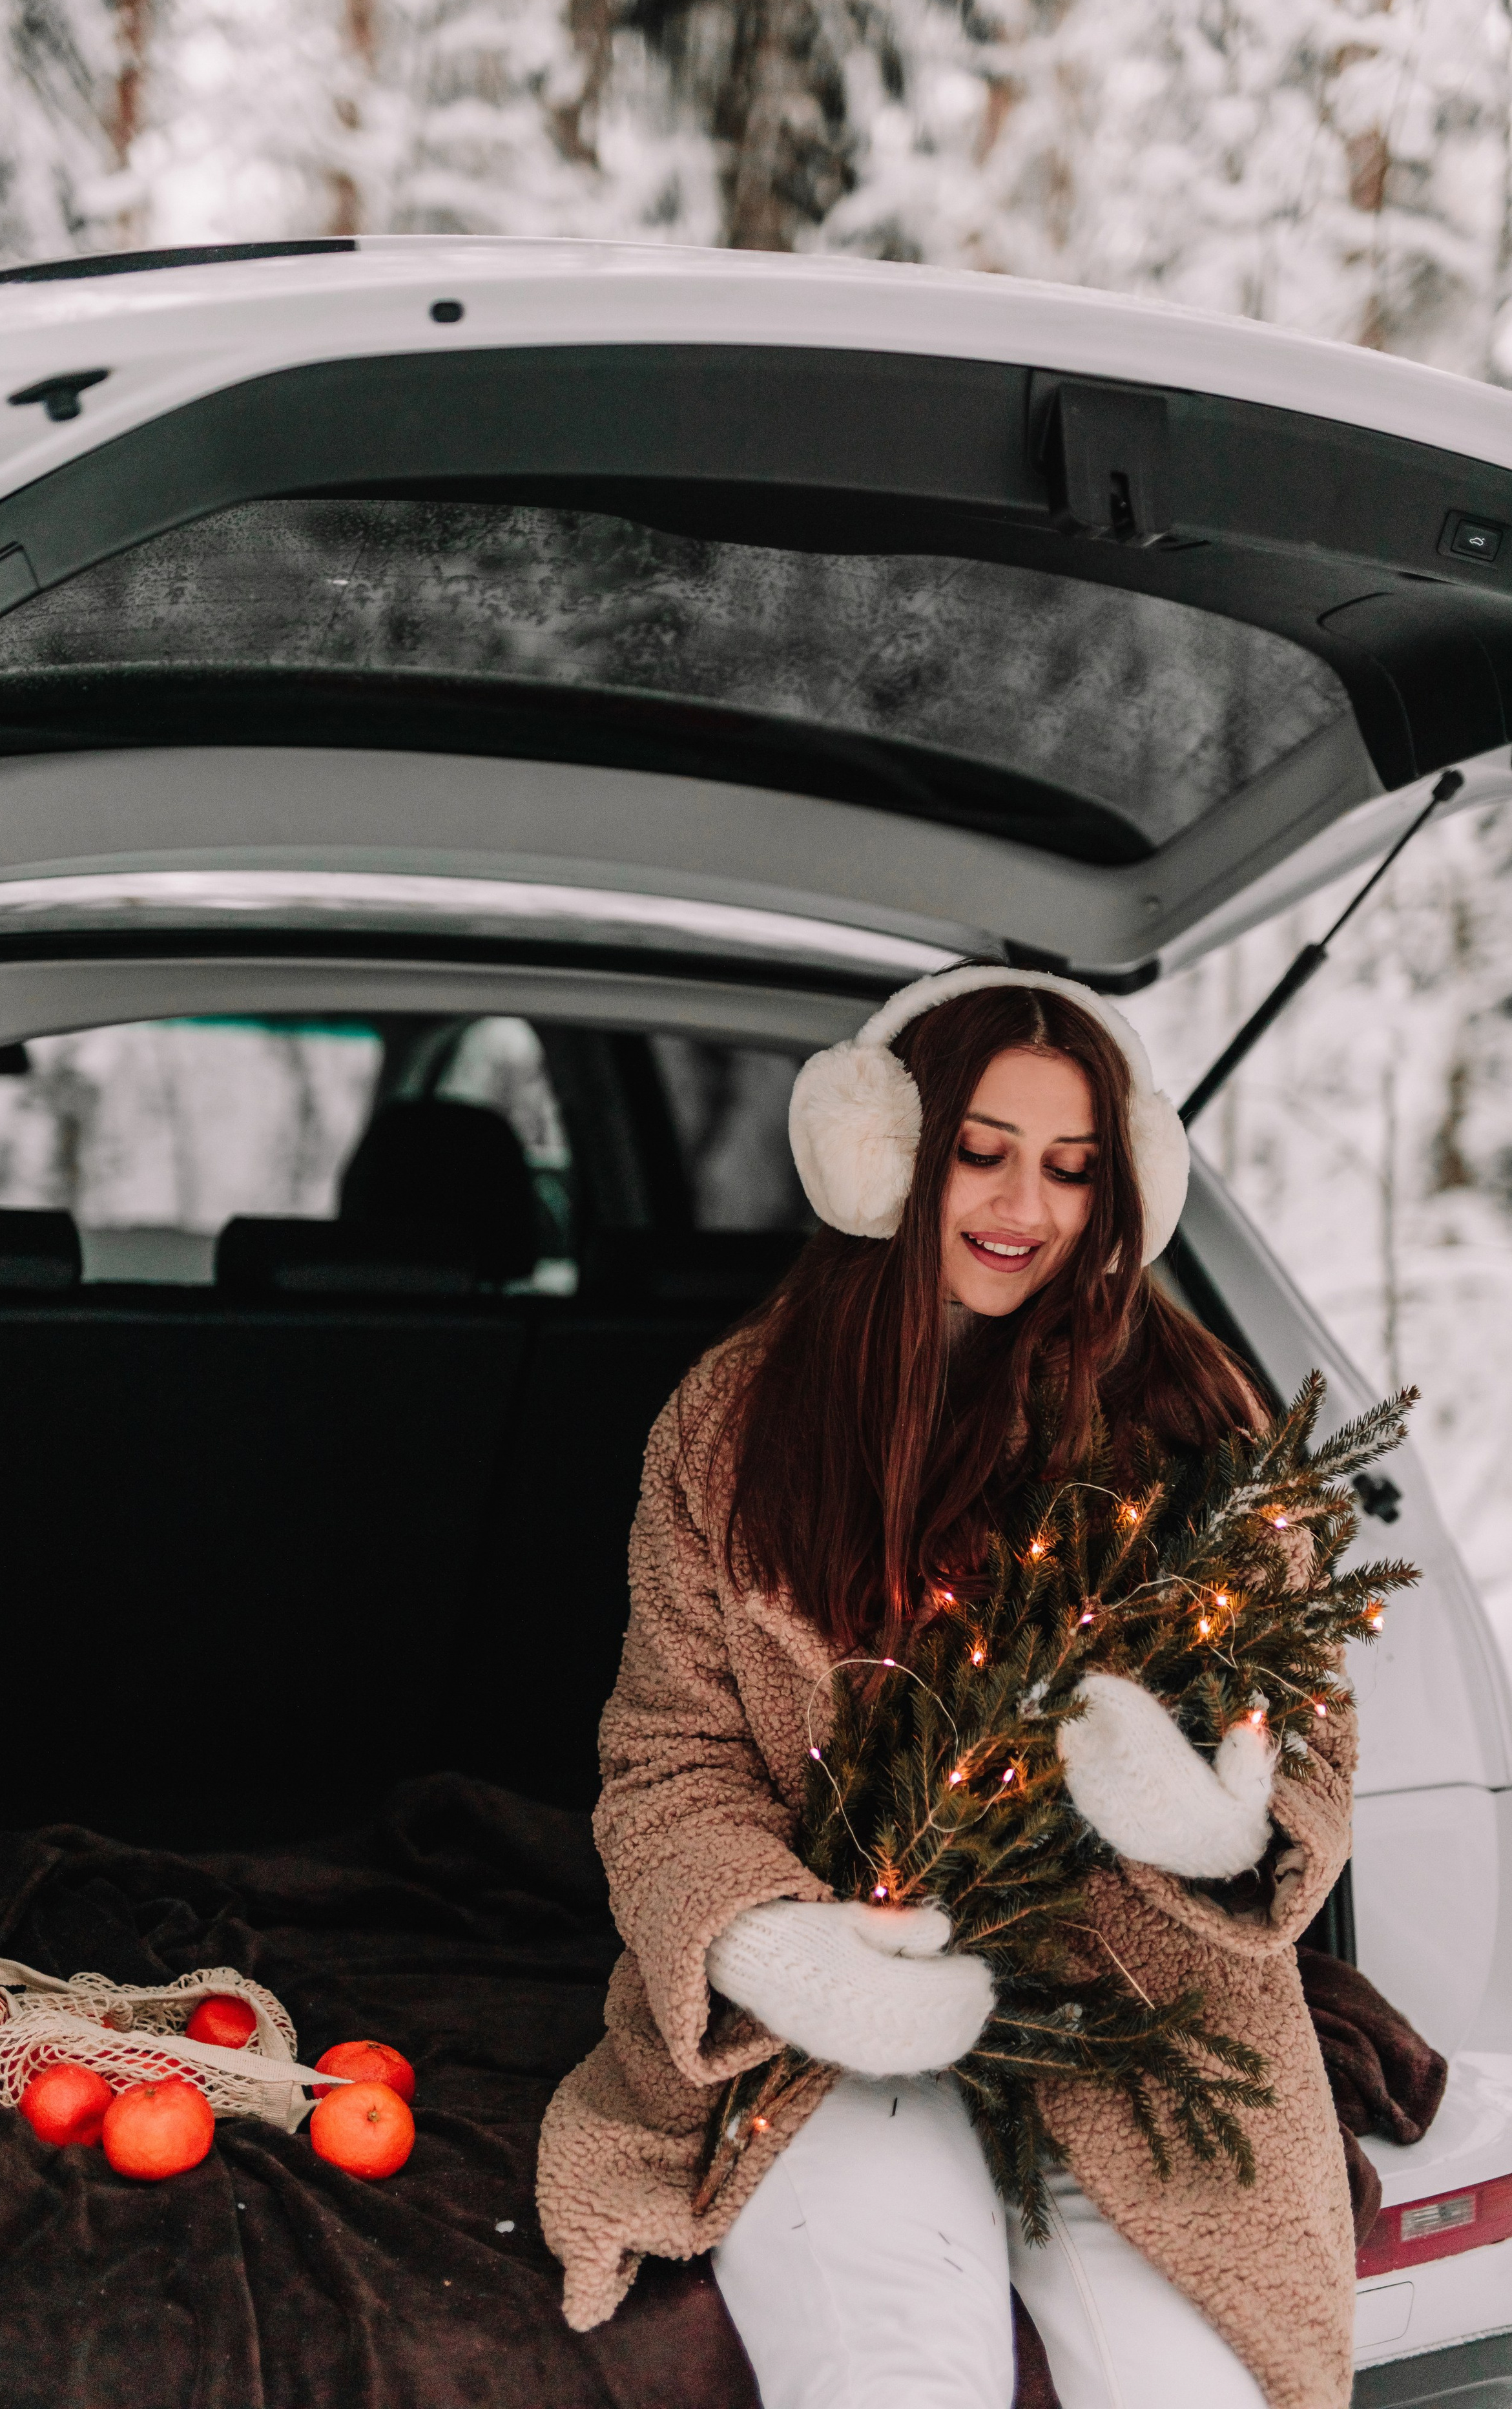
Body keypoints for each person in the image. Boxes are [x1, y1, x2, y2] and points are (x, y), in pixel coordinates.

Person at [537, 966, 1356, 2409]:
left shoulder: (1198, 1416)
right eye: (979, 1151)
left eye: (1069, 1169)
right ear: (883, 1155)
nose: (1021, 1208)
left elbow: (1303, 1717)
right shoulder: (733, 1425)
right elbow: (669, 1759)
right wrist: (768, 1947)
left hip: (1144, 2028)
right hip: (847, 2030)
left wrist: (1220, 1827)